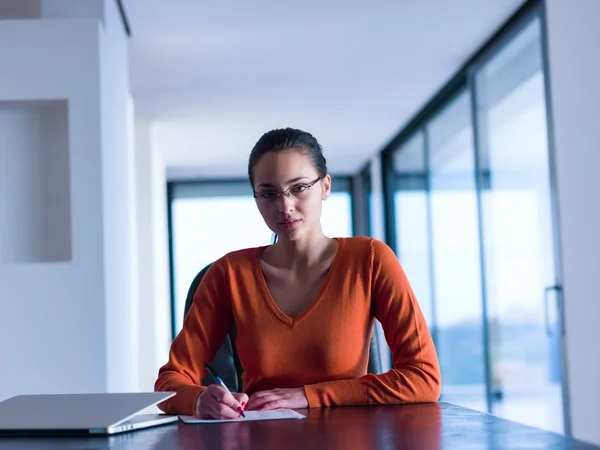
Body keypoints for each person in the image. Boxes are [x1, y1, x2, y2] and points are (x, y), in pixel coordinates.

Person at [154, 128, 441, 420]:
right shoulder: (227, 275)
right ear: (256, 198)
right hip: (260, 438)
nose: (285, 206)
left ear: (325, 187)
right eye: (268, 194)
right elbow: (169, 383)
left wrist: (308, 395)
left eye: (299, 188)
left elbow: (424, 376)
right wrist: (200, 398)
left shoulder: (370, 260)